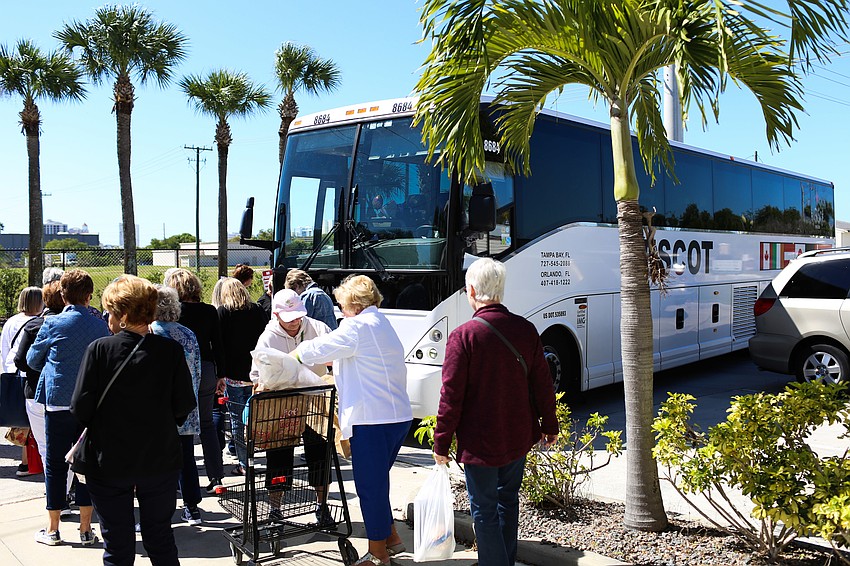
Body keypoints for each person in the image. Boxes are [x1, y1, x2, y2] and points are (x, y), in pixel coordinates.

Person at [432, 258, 559, 566]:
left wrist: (442, 441)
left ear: (472, 290)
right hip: (518, 434)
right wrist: (550, 425)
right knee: (507, 501)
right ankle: (503, 560)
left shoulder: (463, 336)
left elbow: (451, 395)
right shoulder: (526, 329)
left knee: (484, 509)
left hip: (479, 442)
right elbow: (543, 383)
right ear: (501, 291)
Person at [71, 275, 195, 565]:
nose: (107, 318)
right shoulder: (170, 351)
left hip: (109, 459)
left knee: (117, 546)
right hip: (159, 457)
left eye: (110, 312)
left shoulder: (100, 350)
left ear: (123, 315)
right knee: (161, 540)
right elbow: (184, 405)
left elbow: (80, 407)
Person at [294, 275, 412, 566]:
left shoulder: (356, 326)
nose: (340, 310)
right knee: (378, 482)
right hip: (396, 416)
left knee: (370, 488)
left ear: (353, 304)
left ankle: (377, 554)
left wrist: (289, 356)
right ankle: (391, 537)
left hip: (372, 419)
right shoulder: (381, 323)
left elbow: (318, 349)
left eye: (342, 305)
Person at [26, 269, 109, 546]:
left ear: (63, 295)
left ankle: (52, 529)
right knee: (85, 465)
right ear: (89, 295)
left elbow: (32, 360)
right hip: (90, 405)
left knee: (55, 465)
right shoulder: (100, 325)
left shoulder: (53, 324)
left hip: (58, 401)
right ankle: (86, 529)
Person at [251, 289, 334, 525]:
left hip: (315, 397)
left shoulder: (319, 329)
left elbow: (335, 360)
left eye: (298, 315)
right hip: (282, 401)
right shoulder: (267, 338)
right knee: (278, 454)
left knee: (319, 453)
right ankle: (275, 508)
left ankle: (322, 505)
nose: (295, 321)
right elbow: (256, 373)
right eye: (289, 318)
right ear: (276, 315)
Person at [164, 268, 226, 492]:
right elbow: (218, 344)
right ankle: (216, 476)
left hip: (180, 370)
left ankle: (184, 479)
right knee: (207, 422)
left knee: (180, 426)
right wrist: (221, 374)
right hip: (208, 368)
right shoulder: (210, 311)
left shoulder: (174, 314)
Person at [151, 284, 203, 526]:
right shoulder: (188, 333)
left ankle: (158, 512)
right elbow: (197, 371)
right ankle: (192, 508)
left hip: (158, 410)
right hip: (187, 406)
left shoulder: (151, 333)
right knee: (186, 458)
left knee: (156, 463)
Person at [212, 277, 268, 475]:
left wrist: (220, 373)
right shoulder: (256, 310)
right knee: (256, 418)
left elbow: (218, 345)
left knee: (237, 419)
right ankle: (253, 456)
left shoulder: (223, 312)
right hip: (256, 372)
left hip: (233, 374)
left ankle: (245, 463)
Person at [15, 281, 64, 479]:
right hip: (63, 391)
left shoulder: (34, 326)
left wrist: (38, 369)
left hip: (34, 390)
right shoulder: (71, 326)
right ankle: (66, 487)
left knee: (45, 446)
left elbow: (20, 360)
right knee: (66, 444)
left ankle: (53, 487)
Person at [1, 286, 43, 477]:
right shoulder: (39, 323)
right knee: (33, 423)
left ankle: (26, 463)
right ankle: (30, 463)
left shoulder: (11, 321)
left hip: (11, 372)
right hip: (29, 376)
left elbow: (4, 349)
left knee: (22, 422)